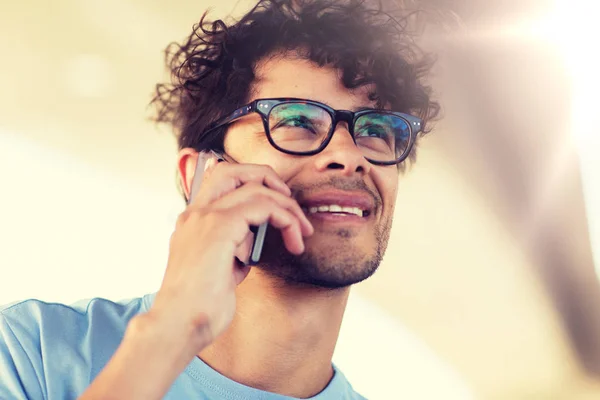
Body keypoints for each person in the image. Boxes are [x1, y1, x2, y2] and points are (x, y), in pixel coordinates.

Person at [0, 0, 439, 398]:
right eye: (297, 120)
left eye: (376, 130)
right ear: (201, 175)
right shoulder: (30, 354)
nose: (348, 155)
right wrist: (170, 333)